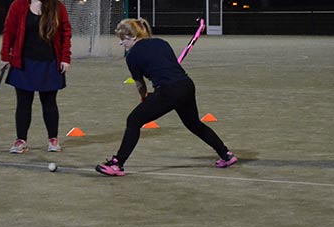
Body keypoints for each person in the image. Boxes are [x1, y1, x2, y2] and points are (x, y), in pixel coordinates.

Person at [95, 18, 237, 176]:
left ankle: (117, 164)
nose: (121, 44)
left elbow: (140, 84)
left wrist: (144, 97)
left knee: (133, 120)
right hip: (186, 85)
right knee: (194, 124)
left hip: (169, 91)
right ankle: (226, 154)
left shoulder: (132, 56)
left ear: (132, 37)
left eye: (122, 40)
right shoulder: (161, 42)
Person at [0, 0, 72, 154]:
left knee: (49, 102)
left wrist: (65, 58)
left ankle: (53, 140)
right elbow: (9, 32)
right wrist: (4, 56)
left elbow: (66, 33)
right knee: (23, 103)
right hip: (24, 63)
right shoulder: (18, 6)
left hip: (49, 63)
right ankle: (21, 141)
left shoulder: (58, 7)